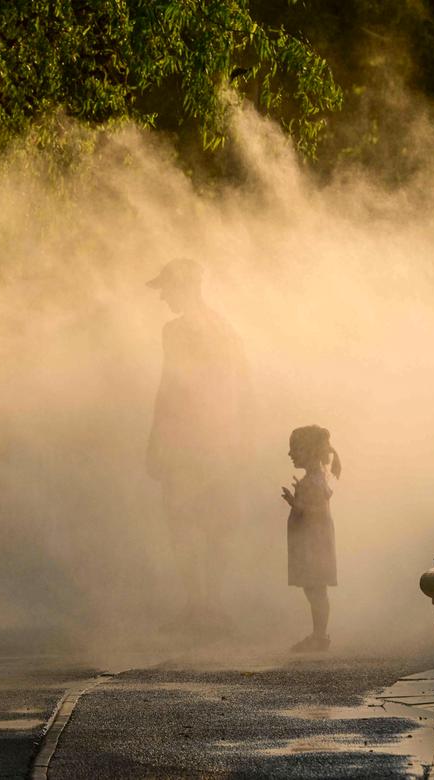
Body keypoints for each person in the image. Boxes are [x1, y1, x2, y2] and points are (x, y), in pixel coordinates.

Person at [146, 258, 252, 627]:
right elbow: (245, 386)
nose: (162, 297)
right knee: (215, 522)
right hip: (220, 439)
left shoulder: (175, 331)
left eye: (167, 289)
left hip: (187, 439)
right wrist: (243, 436)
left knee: (183, 520)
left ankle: (198, 604)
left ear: (184, 287)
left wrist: (156, 440)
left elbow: (170, 388)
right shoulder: (226, 328)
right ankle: (211, 604)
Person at [281, 425, 341, 653]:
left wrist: (295, 503)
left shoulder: (315, 480)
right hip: (313, 540)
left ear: (310, 451)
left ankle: (319, 636)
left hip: (313, 543)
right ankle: (319, 634)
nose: (291, 454)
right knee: (313, 588)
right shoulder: (315, 478)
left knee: (316, 588)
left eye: (295, 449)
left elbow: (314, 511)